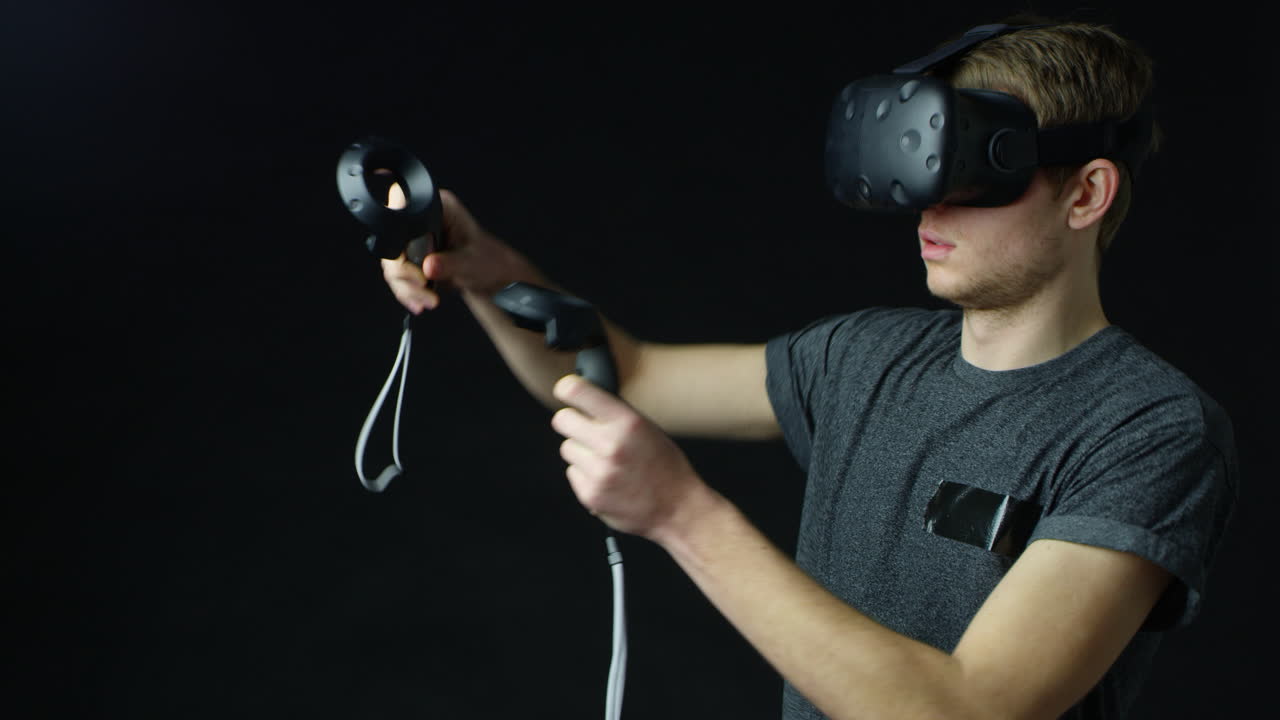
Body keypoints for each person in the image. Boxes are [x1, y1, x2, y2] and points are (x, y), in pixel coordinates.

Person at [379, 18, 1237, 720]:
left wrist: (681, 514)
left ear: (1086, 194)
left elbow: (972, 712)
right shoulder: (863, 357)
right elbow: (632, 375)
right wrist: (481, 264)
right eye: (917, 161)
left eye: (972, 171)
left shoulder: (1148, 428)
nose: (927, 204)